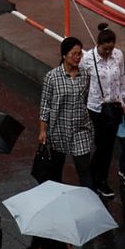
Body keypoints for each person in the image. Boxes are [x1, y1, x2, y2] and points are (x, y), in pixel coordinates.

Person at [39, 36, 93, 188]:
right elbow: (45, 105)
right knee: (56, 170)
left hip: (81, 129)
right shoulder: (52, 77)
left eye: (80, 54)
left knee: (84, 169)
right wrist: (43, 130)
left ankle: (89, 200)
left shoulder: (85, 75)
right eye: (74, 54)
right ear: (64, 55)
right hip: (58, 131)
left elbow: (86, 98)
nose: (78, 57)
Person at [80, 23, 125, 199]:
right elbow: (83, 82)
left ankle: (98, 179)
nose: (108, 52)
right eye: (105, 49)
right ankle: (96, 179)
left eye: (110, 48)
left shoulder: (118, 55)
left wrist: (122, 100)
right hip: (96, 108)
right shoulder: (88, 59)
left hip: (114, 107)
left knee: (108, 146)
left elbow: (121, 79)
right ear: (98, 45)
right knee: (102, 145)